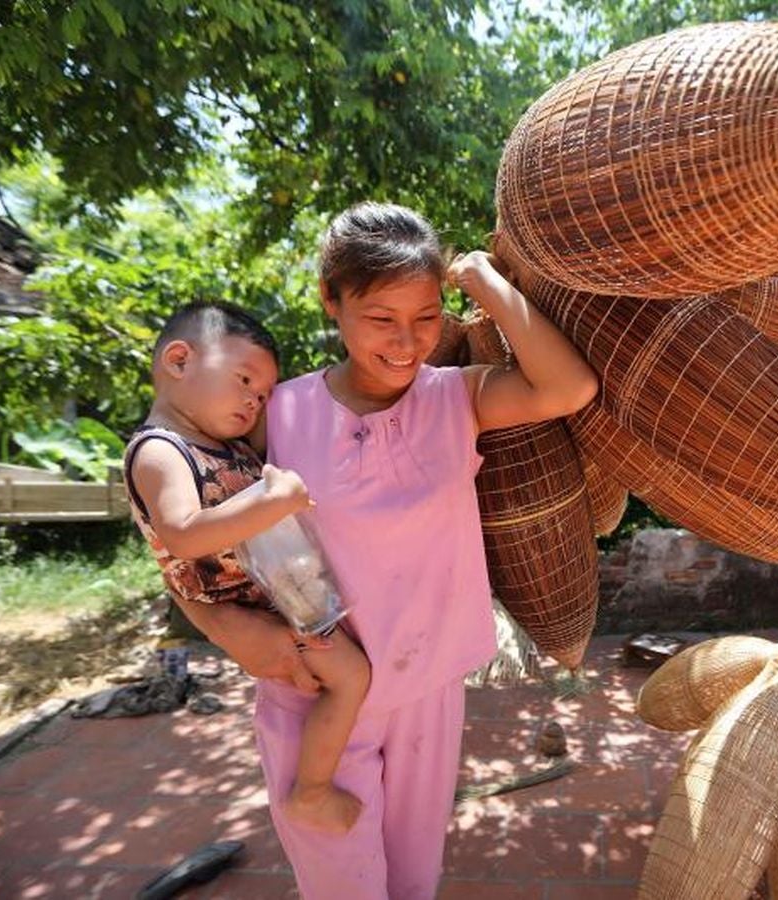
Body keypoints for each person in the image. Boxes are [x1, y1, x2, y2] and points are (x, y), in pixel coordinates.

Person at [186, 203, 597, 899]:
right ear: (331, 300)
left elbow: (569, 388)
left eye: (426, 316)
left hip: (427, 689)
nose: (407, 342)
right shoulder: (277, 413)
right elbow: (183, 526)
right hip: (314, 693)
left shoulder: (456, 398)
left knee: (412, 880)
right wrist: (220, 626)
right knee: (342, 883)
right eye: (381, 318)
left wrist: (486, 283)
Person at [124, 302, 372, 835]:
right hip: (236, 604)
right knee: (352, 677)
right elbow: (184, 534)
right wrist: (273, 501)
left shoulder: (224, 444)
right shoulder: (160, 450)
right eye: (243, 381)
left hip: (275, 594)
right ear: (179, 361)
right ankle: (312, 792)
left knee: (350, 670)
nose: (253, 402)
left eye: (261, 395)